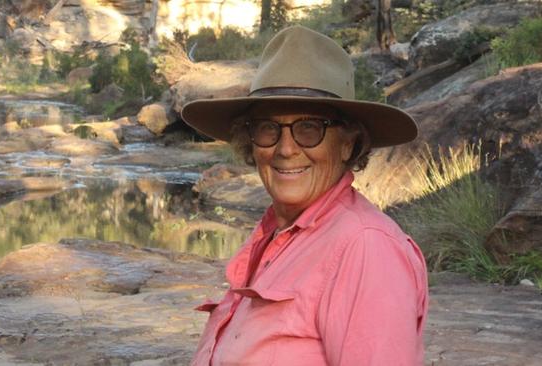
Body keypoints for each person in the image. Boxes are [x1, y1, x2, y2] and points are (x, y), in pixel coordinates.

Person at [181, 25, 428, 366]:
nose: (285, 149)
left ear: (347, 143)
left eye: (309, 128)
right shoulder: (277, 236)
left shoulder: (365, 247)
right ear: (249, 141)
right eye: (268, 128)